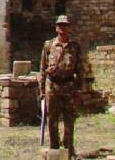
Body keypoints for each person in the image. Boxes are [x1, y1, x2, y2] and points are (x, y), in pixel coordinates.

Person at [38, 15, 83, 158]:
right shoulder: (49, 45)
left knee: (69, 119)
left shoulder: (74, 47)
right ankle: (54, 148)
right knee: (52, 119)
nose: (62, 28)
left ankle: (68, 148)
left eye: (65, 25)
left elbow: (80, 70)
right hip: (52, 86)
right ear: (56, 27)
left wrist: (79, 89)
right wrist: (42, 91)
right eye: (60, 25)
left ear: (69, 28)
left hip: (69, 87)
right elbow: (42, 69)